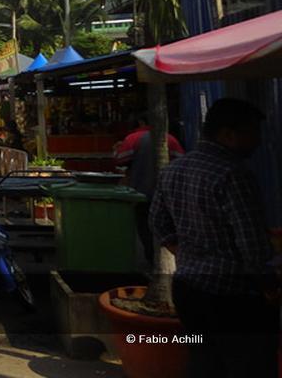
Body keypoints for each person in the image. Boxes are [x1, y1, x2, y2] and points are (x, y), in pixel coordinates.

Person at [149, 98, 278, 377]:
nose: (257, 140)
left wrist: (186, 255)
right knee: (247, 366)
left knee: (203, 361)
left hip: (188, 290)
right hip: (234, 295)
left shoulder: (174, 169)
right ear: (228, 135)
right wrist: (270, 285)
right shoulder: (233, 174)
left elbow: (157, 223)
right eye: (252, 132)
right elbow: (252, 246)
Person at [114, 115, 185, 263]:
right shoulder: (170, 139)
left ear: (141, 122)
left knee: (144, 226)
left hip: (141, 192)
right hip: (168, 194)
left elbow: (120, 159)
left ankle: (151, 257)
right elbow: (182, 162)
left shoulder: (133, 138)